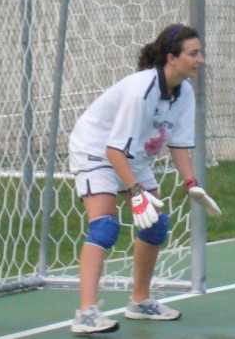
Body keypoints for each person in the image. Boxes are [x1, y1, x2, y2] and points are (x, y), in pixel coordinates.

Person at [68, 23, 222, 335]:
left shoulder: (184, 92)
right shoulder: (142, 91)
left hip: (132, 154)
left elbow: (178, 143)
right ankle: (86, 312)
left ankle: (140, 301)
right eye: (193, 53)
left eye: (200, 52)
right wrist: (137, 192)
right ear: (171, 58)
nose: (201, 59)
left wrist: (191, 183)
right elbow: (113, 150)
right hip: (96, 151)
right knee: (105, 226)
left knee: (156, 225)